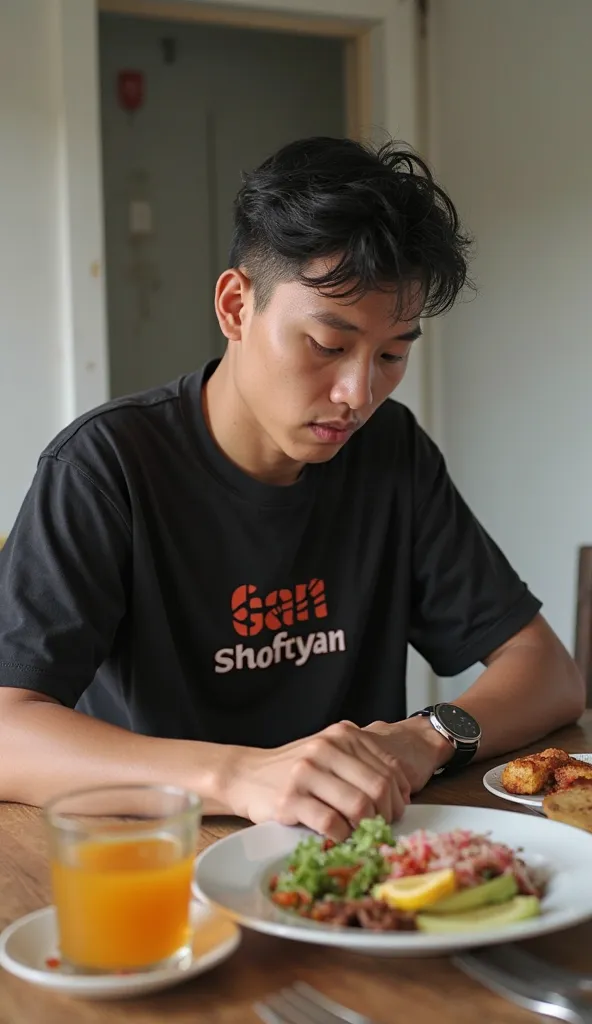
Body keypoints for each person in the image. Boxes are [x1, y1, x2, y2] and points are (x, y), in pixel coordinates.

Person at [0, 137, 584, 839]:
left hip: (355, 859)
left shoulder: (389, 452)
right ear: (236, 307)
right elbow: (9, 728)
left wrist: (423, 736)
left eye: (392, 354)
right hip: (166, 861)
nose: (358, 393)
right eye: (328, 345)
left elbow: (548, 672)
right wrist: (243, 776)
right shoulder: (106, 467)